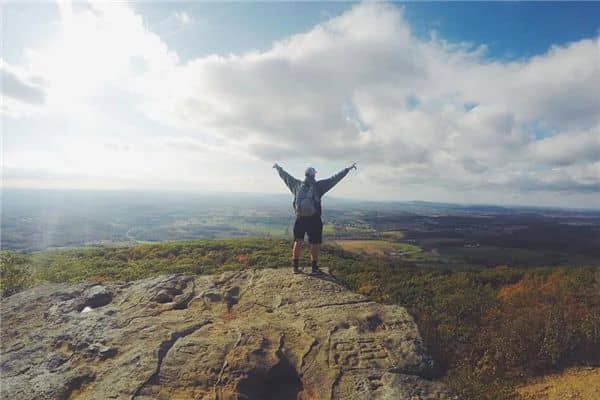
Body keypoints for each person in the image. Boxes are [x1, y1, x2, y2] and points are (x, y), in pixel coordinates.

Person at [273, 162, 357, 274]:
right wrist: (347, 169)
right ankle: (314, 268)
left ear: (305, 175)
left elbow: (286, 177)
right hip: (314, 219)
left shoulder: (296, 185)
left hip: (300, 218)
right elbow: (334, 179)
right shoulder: (318, 186)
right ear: (314, 176)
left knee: (298, 242)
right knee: (314, 243)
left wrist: (278, 168)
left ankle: (295, 268)